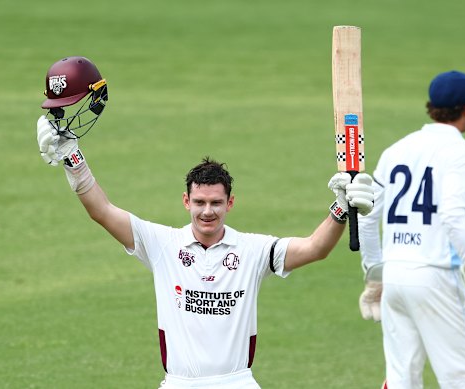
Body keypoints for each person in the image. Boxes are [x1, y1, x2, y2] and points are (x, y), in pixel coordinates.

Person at [36, 56, 375, 389]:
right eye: (199, 202)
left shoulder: (253, 250)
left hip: (237, 382)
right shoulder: (162, 245)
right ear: (186, 202)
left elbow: (315, 248)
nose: (207, 211)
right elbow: (102, 211)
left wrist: (341, 208)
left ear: (230, 203)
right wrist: (73, 161)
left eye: (215, 203)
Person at [356, 70, 465, 389]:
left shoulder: (395, 151)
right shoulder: (461, 153)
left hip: (395, 276)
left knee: (401, 379)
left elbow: (366, 214)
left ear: (431, 107)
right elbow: (454, 215)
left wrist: (375, 273)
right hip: (435, 276)